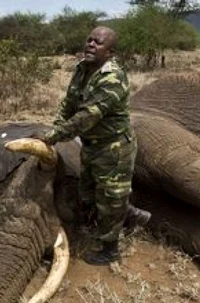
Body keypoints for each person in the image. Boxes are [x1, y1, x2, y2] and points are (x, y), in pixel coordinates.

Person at [36, 26, 151, 265]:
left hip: (113, 148)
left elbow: (88, 115)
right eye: (89, 40)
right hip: (90, 144)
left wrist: (56, 134)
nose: (90, 45)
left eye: (98, 43)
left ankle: (110, 249)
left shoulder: (113, 77)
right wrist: (57, 124)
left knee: (110, 199)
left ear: (110, 52)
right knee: (88, 192)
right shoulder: (82, 69)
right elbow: (69, 103)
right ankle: (132, 215)